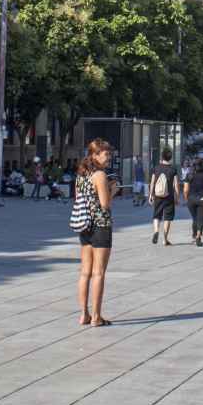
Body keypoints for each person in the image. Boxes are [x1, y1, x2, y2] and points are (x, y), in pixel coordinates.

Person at [74, 138, 114, 327]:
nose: (109, 158)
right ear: (95, 155)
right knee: (98, 273)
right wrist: (112, 190)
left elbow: (78, 198)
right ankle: (96, 316)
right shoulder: (100, 175)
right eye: (106, 154)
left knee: (85, 272)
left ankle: (84, 314)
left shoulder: (81, 174)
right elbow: (105, 204)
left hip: (84, 225)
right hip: (100, 225)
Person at [148, 147, 182, 246]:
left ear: (162, 157)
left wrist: (151, 195)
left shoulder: (156, 168)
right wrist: (177, 197)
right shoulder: (173, 169)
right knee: (167, 218)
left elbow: (153, 182)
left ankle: (156, 231)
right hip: (169, 196)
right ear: (170, 158)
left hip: (158, 195)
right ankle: (165, 240)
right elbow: (176, 185)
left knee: (156, 215)